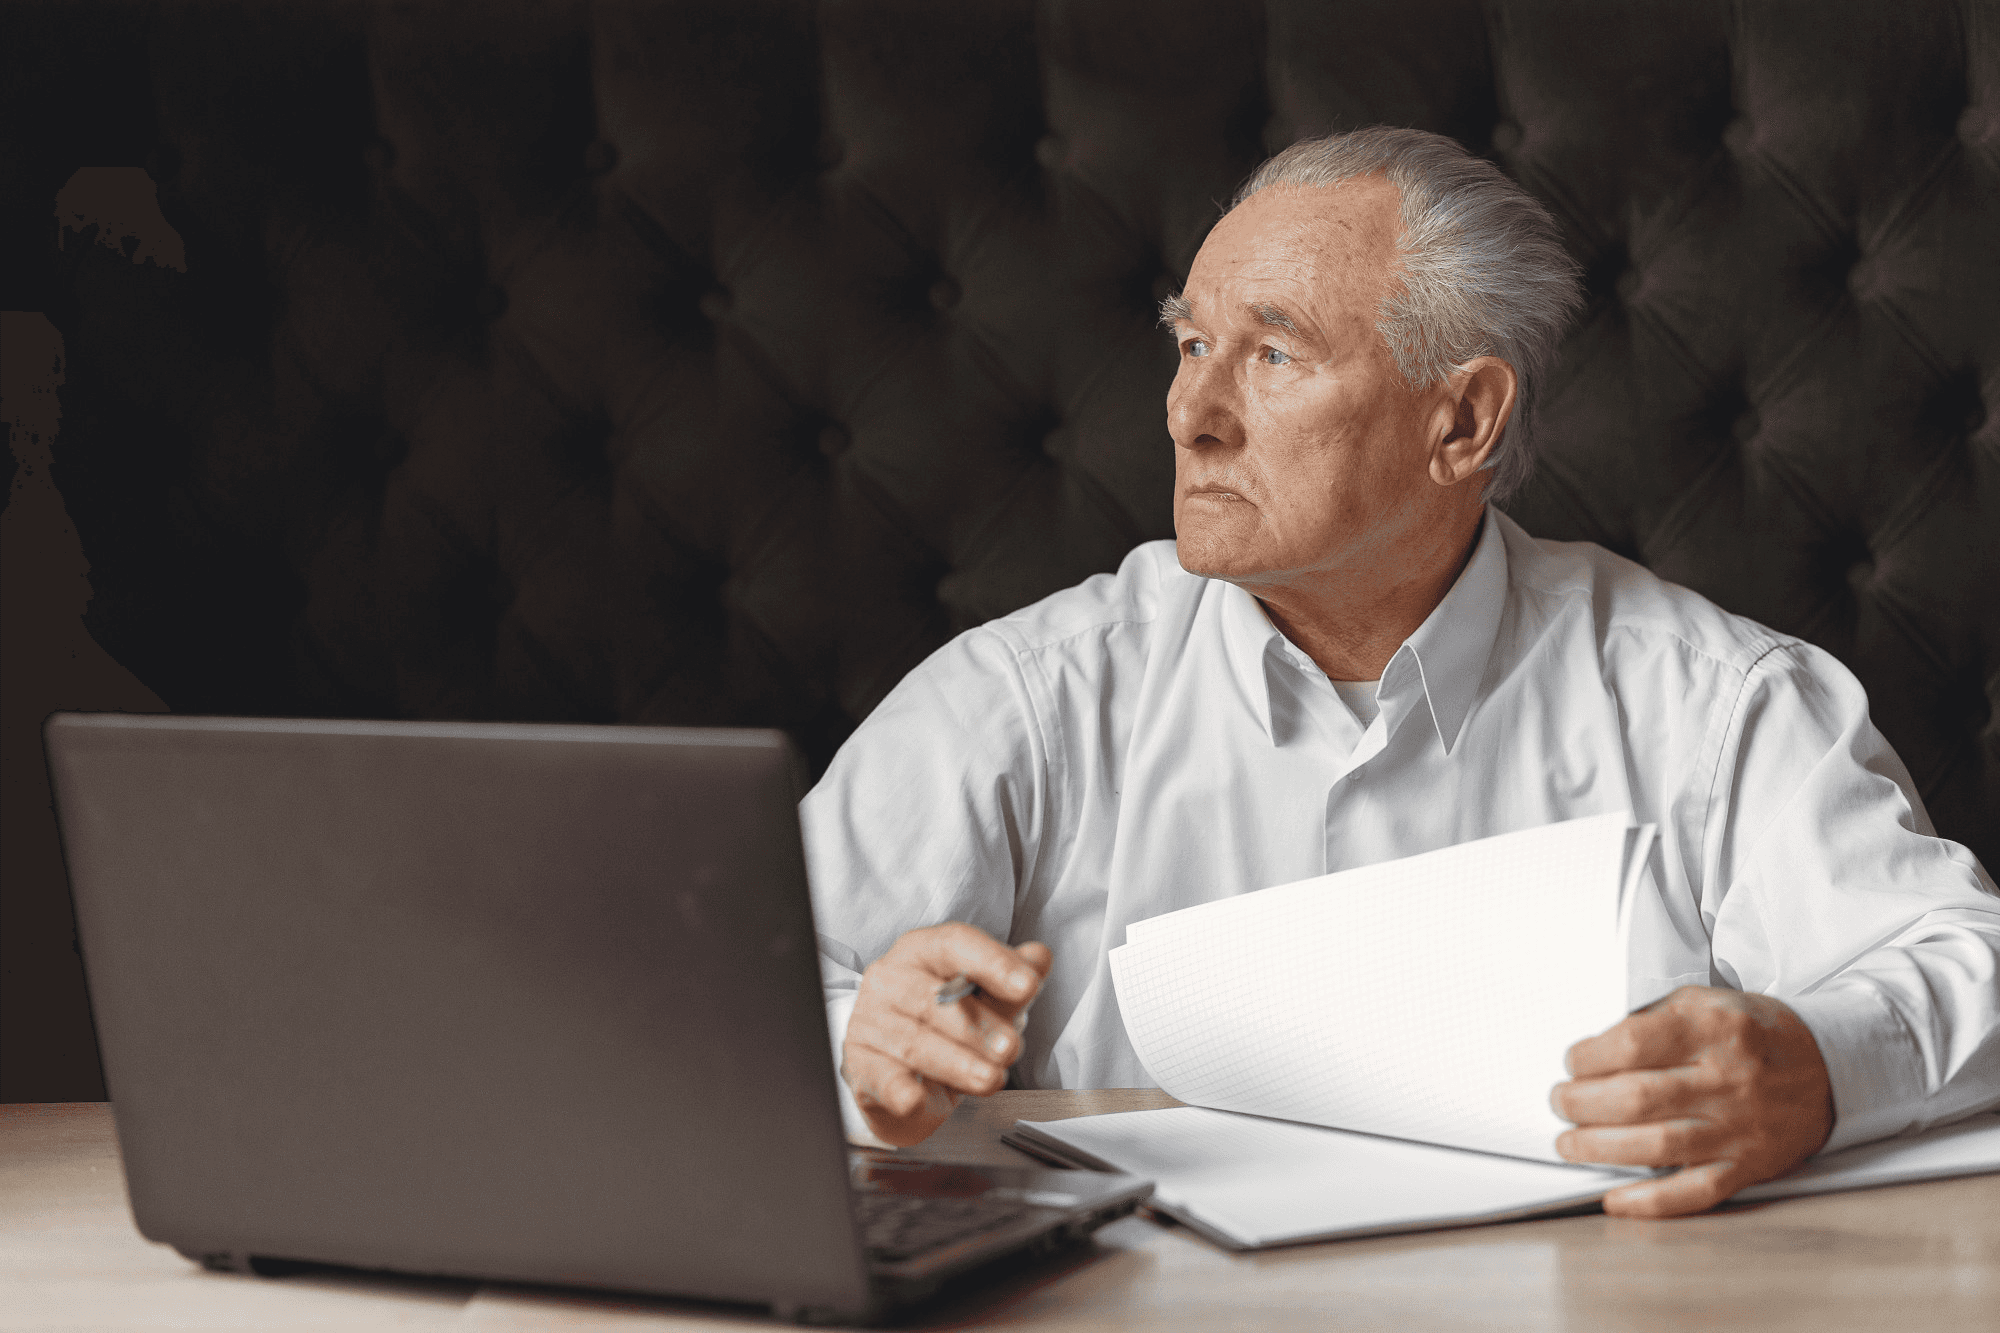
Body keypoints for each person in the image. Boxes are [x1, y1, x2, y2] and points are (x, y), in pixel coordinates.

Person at [801, 127, 2000, 1218]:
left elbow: (1966, 963)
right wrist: (862, 1037)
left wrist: (1819, 1067)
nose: (1188, 412)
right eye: (1191, 343)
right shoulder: (1032, 693)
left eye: (1271, 354)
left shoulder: (1711, 701)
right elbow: (710, 976)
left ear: (1462, 422)